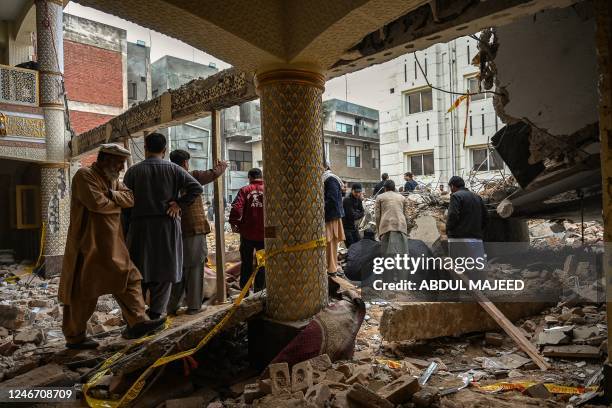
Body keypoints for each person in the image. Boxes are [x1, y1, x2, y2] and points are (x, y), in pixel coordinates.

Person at [59, 144, 166, 349]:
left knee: (130, 278)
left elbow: (130, 199)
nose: (120, 167)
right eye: (118, 163)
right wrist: (114, 199)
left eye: (122, 164)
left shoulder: (114, 180)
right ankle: (75, 337)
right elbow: (97, 204)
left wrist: (111, 195)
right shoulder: (84, 175)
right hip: (88, 244)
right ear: (105, 160)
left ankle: (138, 322)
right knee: (84, 292)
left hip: (113, 243)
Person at [123, 133, 203, 320]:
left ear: (145, 148)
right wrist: (178, 204)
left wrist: (125, 233)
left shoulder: (133, 172)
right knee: (164, 272)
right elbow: (196, 188)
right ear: (164, 150)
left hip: (139, 229)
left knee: (139, 273)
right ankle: (156, 315)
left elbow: (125, 205)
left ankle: (137, 317)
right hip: (166, 227)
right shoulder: (174, 169)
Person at [167, 149, 228, 315]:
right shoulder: (190, 175)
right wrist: (222, 166)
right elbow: (211, 174)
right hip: (193, 229)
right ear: (186, 163)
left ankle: (171, 307)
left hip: (172, 231)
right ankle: (194, 306)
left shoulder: (167, 178)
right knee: (194, 267)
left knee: (177, 268)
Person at [229, 168, 265, 291]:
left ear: (249, 177)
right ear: (261, 176)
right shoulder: (269, 189)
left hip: (247, 234)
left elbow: (236, 208)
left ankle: (244, 291)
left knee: (246, 263)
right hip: (265, 236)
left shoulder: (244, 190)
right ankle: (260, 291)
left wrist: (234, 223)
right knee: (263, 263)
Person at [446, 176, 489, 279]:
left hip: (459, 238)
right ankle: (482, 289)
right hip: (476, 238)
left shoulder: (456, 196)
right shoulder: (477, 197)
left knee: (461, 270)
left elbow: (453, 215)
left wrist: (449, 229)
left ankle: (464, 292)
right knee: (478, 266)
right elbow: (486, 217)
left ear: (452, 186)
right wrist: (479, 231)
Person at [375, 180, 411, 265]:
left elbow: (377, 216)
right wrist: (407, 231)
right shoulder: (402, 198)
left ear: (385, 188)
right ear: (394, 188)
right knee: (402, 257)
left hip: (386, 228)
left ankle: (389, 277)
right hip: (401, 227)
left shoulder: (380, 197)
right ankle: (402, 277)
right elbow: (406, 216)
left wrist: (379, 232)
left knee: (387, 258)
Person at [324, 164, 345, 274]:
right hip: (329, 216)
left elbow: (331, 200)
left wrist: (318, 209)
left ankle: (331, 269)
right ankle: (331, 267)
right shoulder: (328, 178)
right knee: (329, 244)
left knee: (330, 244)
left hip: (330, 217)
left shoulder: (330, 179)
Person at [342, 183, 364, 248]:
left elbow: (362, 212)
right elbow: (352, 216)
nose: (357, 194)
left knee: (359, 245)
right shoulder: (347, 200)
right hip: (346, 228)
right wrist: (357, 213)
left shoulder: (358, 199)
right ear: (352, 190)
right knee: (351, 248)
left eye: (359, 192)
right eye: (356, 192)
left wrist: (356, 213)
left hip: (354, 227)